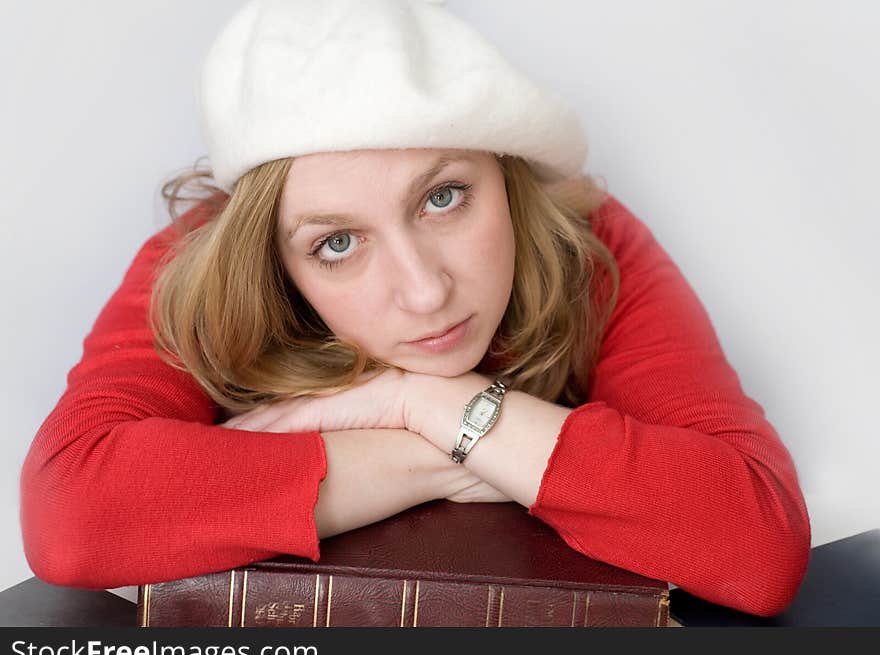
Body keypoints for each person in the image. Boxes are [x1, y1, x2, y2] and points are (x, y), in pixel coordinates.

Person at [19, 0, 810, 617]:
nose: (425, 290)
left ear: (505, 172)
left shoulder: (585, 236)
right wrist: (482, 445)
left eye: (443, 196)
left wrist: (421, 399)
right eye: (338, 243)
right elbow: (73, 514)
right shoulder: (200, 261)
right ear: (274, 261)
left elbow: (756, 540)